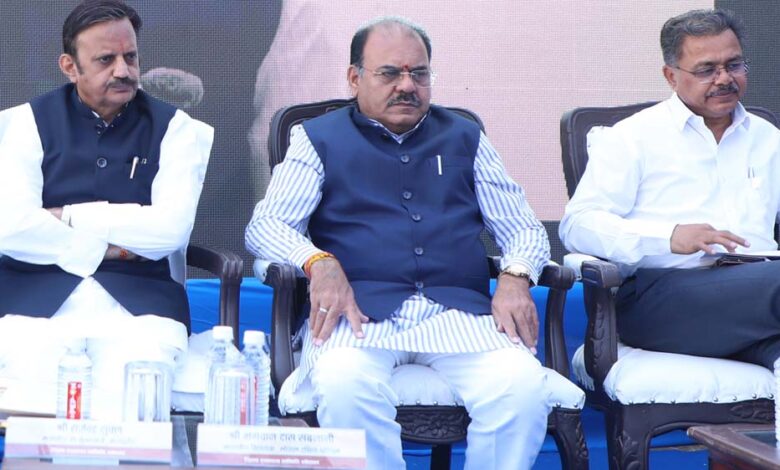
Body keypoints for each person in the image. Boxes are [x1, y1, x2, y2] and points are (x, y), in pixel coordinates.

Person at [247, 16, 561, 469]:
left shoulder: (464, 137)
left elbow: (524, 228)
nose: (407, 86)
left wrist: (515, 275)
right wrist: (317, 261)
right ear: (354, 78)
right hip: (359, 317)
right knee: (342, 383)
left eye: (419, 74)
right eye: (390, 73)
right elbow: (266, 226)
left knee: (522, 387)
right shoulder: (317, 138)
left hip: (459, 316)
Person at [0, 0, 213, 420]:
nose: (123, 70)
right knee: (31, 406)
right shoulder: (24, 123)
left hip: (141, 306)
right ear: (69, 66)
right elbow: (11, 226)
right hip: (33, 301)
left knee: (136, 407)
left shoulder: (177, 129)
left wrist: (68, 216)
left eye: (130, 57)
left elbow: (169, 230)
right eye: (105, 60)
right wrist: (110, 247)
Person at [560, 9, 780, 370]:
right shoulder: (633, 137)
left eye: (734, 65)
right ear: (671, 76)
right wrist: (668, 237)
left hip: (755, 292)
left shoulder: (768, 139)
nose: (725, 79)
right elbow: (577, 225)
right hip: (663, 296)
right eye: (707, 70)